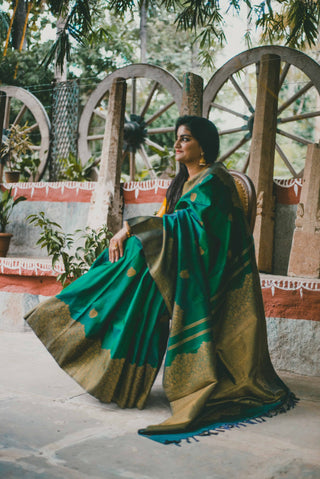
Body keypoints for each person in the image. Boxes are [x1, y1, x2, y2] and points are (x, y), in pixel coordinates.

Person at [25, 115, 296, 445]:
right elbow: (168, 222)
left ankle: (88, 346)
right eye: (178, 138)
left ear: (203, 147)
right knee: (129, 261)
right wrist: (135, 233)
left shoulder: (216, 180)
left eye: (185, 139)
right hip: (181, 266)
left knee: (135, 261)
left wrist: (130, 228)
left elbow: (204, 233)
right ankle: (100, 359)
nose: (177, 144)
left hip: (209, 274)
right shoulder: (184, 184)